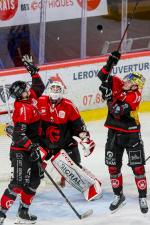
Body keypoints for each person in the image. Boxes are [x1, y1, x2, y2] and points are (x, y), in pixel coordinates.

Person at [97, 51, 148, 213]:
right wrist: (110, 63)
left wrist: (109, 96)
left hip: (131, 135)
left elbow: (118, 111)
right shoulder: (120, 84)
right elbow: (101, 77)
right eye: (126, 79)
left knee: (138, 167)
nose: (125, 81)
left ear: (135, 86)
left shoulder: (135, 96)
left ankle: (142, 196)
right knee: (113, 167)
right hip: (113, 134)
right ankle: (118, 195)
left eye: (129, 81)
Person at [37, 80, 102, 200]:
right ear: (49, 90)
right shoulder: (40, 102)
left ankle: (93, 183)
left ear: (62, 92)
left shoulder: (68, 105)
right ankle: (27, 185)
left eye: (58, 89)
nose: (55, 91)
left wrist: (85, 138)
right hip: (45, 143)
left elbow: (79, 126)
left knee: (73, 168)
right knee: (32, 160)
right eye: (53, 88)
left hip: (65, 144)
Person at [0, 55, 45, 225]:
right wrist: (31, 147)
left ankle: (23, 212)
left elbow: (39, 87)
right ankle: (1, 213)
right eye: (25, 89)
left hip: (32, 147)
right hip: (20, 151)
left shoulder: (30, 98)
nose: (28, 89)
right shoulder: (22, 109)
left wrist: (32, 71)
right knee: (18, 182)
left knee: (35, 179)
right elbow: (18, 136)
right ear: (20, 94)